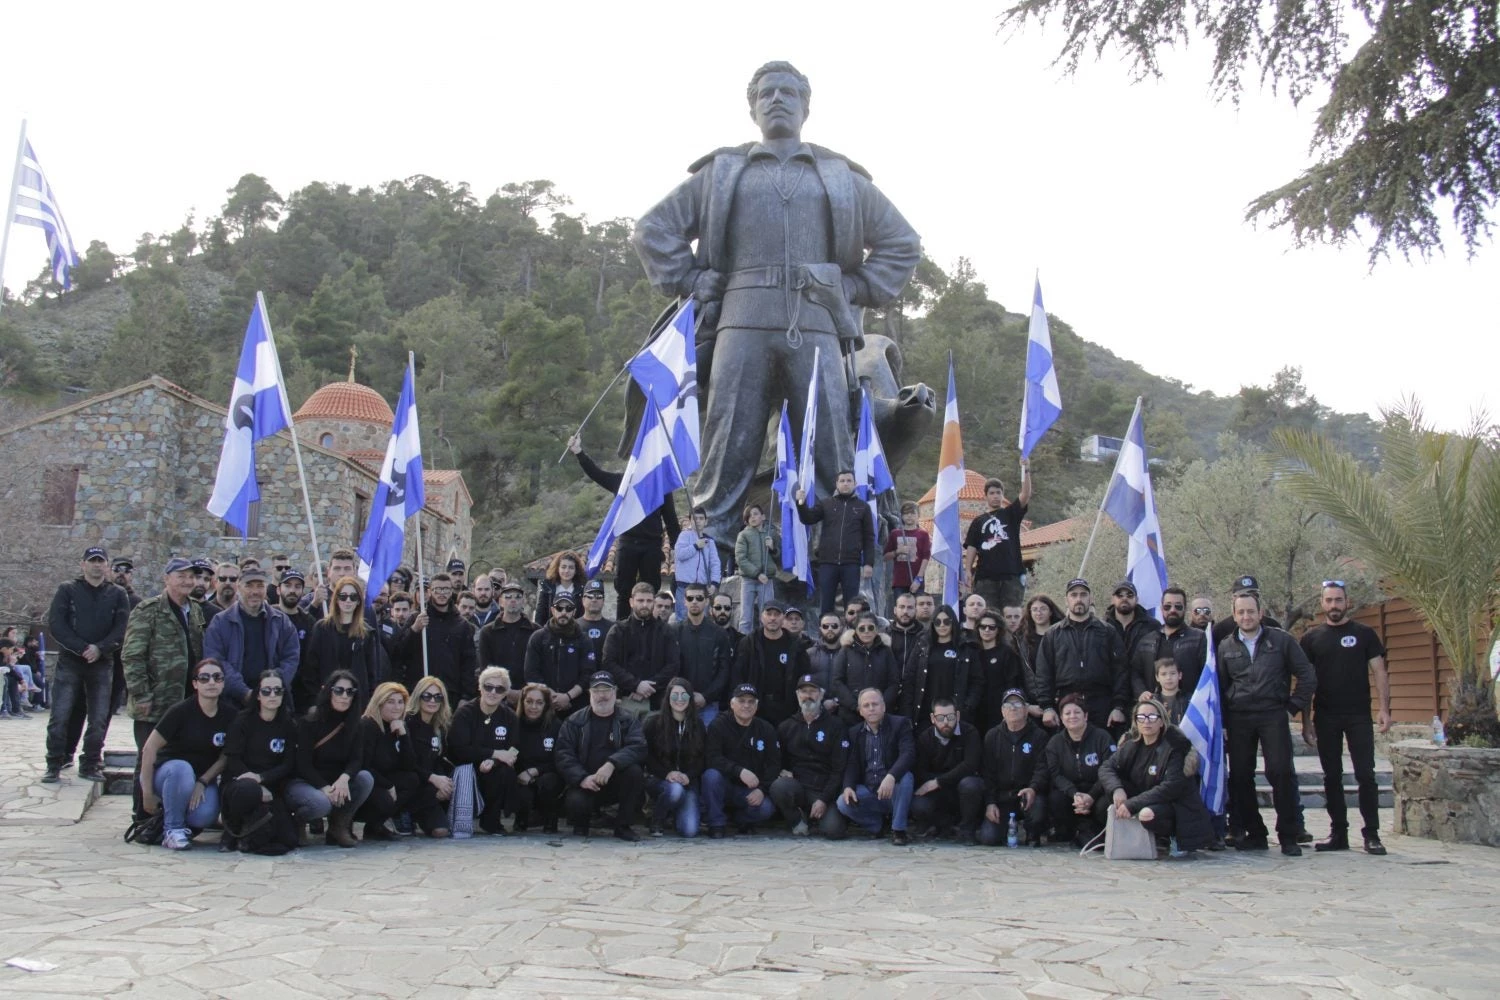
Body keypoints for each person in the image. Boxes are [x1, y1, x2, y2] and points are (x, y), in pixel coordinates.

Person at [633, 60, 921, 548]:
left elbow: (902, 242)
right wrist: (691, 278)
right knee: (729, 443)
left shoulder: (840, 177)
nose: (777, 99)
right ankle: (709, 554)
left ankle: (839, 551)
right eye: (766, 93)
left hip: (817, 321)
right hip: (740, 319)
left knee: (831, 442)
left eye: (789, 92)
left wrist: (853, 288)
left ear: (806, 106)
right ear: (752, 107)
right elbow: (651, 230)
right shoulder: (724, 172)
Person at [1218, 590, 1317, 856]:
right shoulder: (1226, 646)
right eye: (1241, 612)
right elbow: (1221, 687)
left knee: (1280, 773)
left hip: (1273, 714)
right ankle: (1255, 833)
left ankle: (1288, 835)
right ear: (1234, 615)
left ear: (1260, 613)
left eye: (1251, 611)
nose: (1246, 616)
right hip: (1239, 718)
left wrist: (1293, 707)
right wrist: (1224, 723)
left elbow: (1307, 676)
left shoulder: (1282, 641)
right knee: (1240, 777)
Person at [1300, 581, 1390, 855]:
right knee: (1332, 776)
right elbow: (1306, 682)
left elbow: (1379, 671)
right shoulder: (1312, 639)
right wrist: (1305, 722)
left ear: (1347, 602)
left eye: (1338, 600)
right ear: (1322, 604)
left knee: (1366, 775)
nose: (1334, 605)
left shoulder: (1364, 634)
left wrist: (1385, 709)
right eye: (1329, 600)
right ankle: (1338, 833)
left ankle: (1372, 835)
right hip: (1326, 716)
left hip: (1359, 716)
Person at [120, 558, 205, 816]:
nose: (187, 581)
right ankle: (142, 815)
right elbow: (132, 656)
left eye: (191, 576)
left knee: (179, 760)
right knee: (148, 758)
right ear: (166, 578)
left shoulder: (196, 610)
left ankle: (172, 815)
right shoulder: (148, 610)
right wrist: (141, 693)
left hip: (186, 702)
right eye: (180, 576)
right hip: (155, 702)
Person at [569, 434, 680, 620]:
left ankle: (649, 627)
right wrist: (579, 452)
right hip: (628, 542)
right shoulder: (621, 482)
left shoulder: (662, 488)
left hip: (652, 544)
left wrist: (681, 549)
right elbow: (596, 473)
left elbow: (671, 521)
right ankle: (622, 627)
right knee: (623, 590)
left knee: (650, 590)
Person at [43, 546, 130, 783]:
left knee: (99, 716)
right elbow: (57, 624)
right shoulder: (68, 590)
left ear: (106, 565)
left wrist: (100, 648)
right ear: (83, 564)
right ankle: (54, 762)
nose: (96, 565)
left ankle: (90, 763)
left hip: (102, 663)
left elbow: (122, 628)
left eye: (100, 561)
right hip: (70, 660)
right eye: (92, 560)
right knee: (60, 714)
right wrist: (82, 648)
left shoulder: (117, 594)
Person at [1097, 693, 1216, 854]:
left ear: (1161, 721)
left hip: (1173, 804)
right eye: (1141, 717)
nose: (1146, 721)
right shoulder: (1131, 745)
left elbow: (1171, 787)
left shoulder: (1174, 747)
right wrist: (1117, 789)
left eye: (1152, 717)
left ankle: (1168, 838)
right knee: (1106, 801)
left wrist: (1133, 804)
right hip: (1145, 795)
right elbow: (1106, 768)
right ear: (1136, 721)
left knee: (1147, 815)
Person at [137, 658, 230, 850]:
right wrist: (146, 793)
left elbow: (226, 756)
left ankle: (171, 821)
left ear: (223, 682)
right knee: (182, 768)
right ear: (195, 684)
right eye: (204, 678)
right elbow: (149, 748)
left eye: (217, 677)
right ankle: (173, 829)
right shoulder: (180, 711)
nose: (211, 682)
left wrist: (203, 781)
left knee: (204, 815)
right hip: (169, 775)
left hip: (201, 779)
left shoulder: (230, 715)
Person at [554, 672, 648, 841]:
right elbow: (563, 754)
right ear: (590, 693)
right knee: (576, 803)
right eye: (597, 691)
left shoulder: (628, 720)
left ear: (615, 692)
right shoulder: (574, 721)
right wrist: (582, 778)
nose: (602, 696)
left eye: (606, 690)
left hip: (615, 780)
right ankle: (581, 825)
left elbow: (638, 747)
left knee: (634, 773)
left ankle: (623, 826)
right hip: (585, 782)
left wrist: (611, 764)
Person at [286, 669, 374, 848]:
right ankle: (299, 821)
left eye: (350, 692)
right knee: (321, 803)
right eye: (339, 690)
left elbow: (357, 759)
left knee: (365, 778)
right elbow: (302, 763)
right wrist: (324, 787)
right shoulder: (310, 721)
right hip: (305, 781)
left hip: (336, 780)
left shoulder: (356, 724)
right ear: (329, 691)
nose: (344, 696)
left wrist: (345, 777)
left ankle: (338, 826)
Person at [220, 668, 298, 853]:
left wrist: (262, 779)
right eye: (266, 691)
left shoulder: (289, 724)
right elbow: (233, 759)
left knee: (289, 841)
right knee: (248, 790)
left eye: (277, 691)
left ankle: (250, 837)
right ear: (258, 695)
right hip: (239, 784)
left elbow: (288, 764)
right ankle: (232, 831)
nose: (272, 695)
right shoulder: (242, 721)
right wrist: (254, 782)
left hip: (270, 787)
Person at [1034, 579, 1129, 733]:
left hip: (1101, 704)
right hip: (1066, 703)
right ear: (1066, 600)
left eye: (1083, 595)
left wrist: (1119, 706)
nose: (1079, 599)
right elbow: (1043, 674)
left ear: (1090, 599)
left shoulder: (1107, 632)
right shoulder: (1053, 634)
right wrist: (1047, 707)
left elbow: (1121, 671)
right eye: (1074, 595)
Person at [202, 567, 302, 712]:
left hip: (273, 703)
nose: (254, 592)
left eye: (260, 586)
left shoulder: (281, 622)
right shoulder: (220, 622)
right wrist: (244, 693)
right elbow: (216, 661)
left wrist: (270, 689)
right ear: (239, 587)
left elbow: (291, 658)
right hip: (231, 704)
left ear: (266, 589)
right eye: (249, 585)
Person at [772, 674, 850, 838]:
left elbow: (839, 769)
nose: (808, 696)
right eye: (803, 691)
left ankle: (815, 817)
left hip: (825, 789)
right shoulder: (786, 726)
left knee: (834, 831)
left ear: (821, 695)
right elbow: (777, 761)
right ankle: (797, 820)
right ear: (797, 695)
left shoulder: (836, 726)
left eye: (813, 691)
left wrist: (823, 799)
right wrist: (782, 771)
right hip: (799, 787)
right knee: (779, 786)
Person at [447, 666, 520, 836]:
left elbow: (514, 748)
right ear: (480, 687)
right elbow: (459, 749)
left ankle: (492, 821)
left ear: (505, 693)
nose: (493, 692)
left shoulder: (510, 717)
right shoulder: (464, 714)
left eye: (499, 688)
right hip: (465, 768)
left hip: (493, 767)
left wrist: (494, 761)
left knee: (505, 772)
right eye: (488, 686)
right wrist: (494, 753)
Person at [838, 688, 915, 844]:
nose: (871, 708)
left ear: (884, 707)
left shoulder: (900, 724)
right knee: (842, 802)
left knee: (906, 777)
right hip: (869, 789)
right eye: (866, 705)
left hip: (894, 789)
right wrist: (848, 786)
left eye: (875, 704)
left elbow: (908, 754)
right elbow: (852, 764)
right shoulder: (854, 732)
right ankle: (877, 826)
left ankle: (898, 830)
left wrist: (891, 776)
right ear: (860, 711)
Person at [703, 683, 781, 837]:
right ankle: (716, 823)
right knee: (710, 776)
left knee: (766, 808)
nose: (746, 705)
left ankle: (739, 820)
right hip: (724, 785)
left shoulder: (766, 729)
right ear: (732, 704)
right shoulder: (718, 725)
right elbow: (712, 757)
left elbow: (774, 764)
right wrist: (739, 771)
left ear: (757, 705)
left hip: (750, 790)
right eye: (741, 701)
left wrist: (762, 790)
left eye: (751, 702)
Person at [298, 576, 387, 711]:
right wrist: (314, 701)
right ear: (336, 599)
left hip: (356, 703)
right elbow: (311, 670)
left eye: (353, 597)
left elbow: (371, 675)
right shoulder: (322, 629)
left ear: (359, 601)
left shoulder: (367, 633)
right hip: (327, 702)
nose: (348, 601)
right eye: (343, 596)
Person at [795, 471, 876, 615]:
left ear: (855, 484)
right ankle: (825, 633)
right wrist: (800, 504)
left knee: (852, 605)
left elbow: (869, 537)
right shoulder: (826, 503)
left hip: (851, 563)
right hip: (828, 562)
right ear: (837, 484)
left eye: (849, 481)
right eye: (842, 481)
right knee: (826, 603)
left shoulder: (863, 507)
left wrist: (869, 563)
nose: (845, 483)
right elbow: (808, 518)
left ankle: (851, 635)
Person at [1042, 692, 1116, 847]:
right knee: (1055, 799)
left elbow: (1109, 770)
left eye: (1077, 712)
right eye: (1067, 713)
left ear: (1086, 716)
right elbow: (1056, 775)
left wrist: (1091, 796)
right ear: (1061, 718)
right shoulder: (1055, 743)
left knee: (1106, 805)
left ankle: (1097, 831)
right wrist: (1074, 793)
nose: (1072, 716)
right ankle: (1071, 831)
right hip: (1072, 794)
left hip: (1098, 791)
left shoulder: (1102, 737)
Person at [977, 688, 1049, 846]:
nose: (1013, 708)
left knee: (1039, 805)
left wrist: (1033, 788)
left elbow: (1042, 769)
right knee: (988, 838)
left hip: (1027, 795)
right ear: (1002, 711)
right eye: (1008, 705)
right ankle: (1007, 829)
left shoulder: (1039, 736)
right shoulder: (992, 736)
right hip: (1002, 797)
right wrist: (990, 802)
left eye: (1018, 704)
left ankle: (1032, 833)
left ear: (1026, 710)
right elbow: (987, 773)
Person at [602, 582, 681, 718]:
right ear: (631, 602)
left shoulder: (666, 631)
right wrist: (636, 685)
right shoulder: (618, 630)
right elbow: (608, 662)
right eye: (640, 600)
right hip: (626, 700)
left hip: (657, 701)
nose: (645, 605)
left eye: (649, 600)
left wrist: (649, 687)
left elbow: (673, 664)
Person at [911, 698, 984, 841]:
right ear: (933, 718)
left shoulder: (970, 732)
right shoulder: (925, 738)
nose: (945, 722)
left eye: (950, 717)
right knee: (919, 804)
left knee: (971, 785)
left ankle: (967, 829)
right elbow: (920, 771)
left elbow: (970, 765)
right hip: (938, 789)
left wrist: (940, 781)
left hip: (961, 787)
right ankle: (941, 826)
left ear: (957, 716)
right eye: (940, 717)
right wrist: (938, 782)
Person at [643, 677, 708, 837]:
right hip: (660, 779)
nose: (680, 700)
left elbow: (703, 757)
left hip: (688, 782)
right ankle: (657, 819)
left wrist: (688, 775)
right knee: (675, 791)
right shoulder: (653, 723)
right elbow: (646, 756)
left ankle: (673, 814)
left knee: (690, 831)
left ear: (690, 698)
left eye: (684, 695)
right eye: (675, 695)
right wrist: (667, 774)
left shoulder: (697, 724)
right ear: (668, 698)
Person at [403, 573, 479, 707]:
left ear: (451, 592)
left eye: (446, 589)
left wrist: (466, 696)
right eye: (437, 589)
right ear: (430, 591)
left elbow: (468, 663)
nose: (441, 593)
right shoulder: (417, 618)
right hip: (419, 690)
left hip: (450, 694)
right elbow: (400, 651)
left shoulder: (462, 625)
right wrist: (414, 629)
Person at [963, 467, 1032, 612]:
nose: (995, 496)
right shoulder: (978, 521)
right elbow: (972, 547)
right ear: (985, 496)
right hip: (985, 577)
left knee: (1012, 615)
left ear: (1002, 495)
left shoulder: (1010, 514)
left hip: (1011, 575)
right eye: (992, 493)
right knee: (988, 616)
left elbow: (1025, 495)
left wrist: (1026, 470)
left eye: (998, 493)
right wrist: (968, 570)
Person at [731, 599, 808, 725]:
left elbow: (803, 675)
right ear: (762, 617)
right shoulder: (749, 643)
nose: (772, 618)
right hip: (755, 707)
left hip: (787, 709)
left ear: (783, 618)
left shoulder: (795, 644)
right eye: (769, 614)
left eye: (777, 614)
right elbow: (738, 675)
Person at [901, 605, 980, 727]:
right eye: (937, 622)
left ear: (953, 622)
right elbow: (909, 679)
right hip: (925, 712)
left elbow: (977, 681)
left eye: (946, 621)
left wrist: (967, 706)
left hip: (955, 713)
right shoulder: (922, 645)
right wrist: (907, 711)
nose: (942, 625)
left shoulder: (966, 647)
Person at [524, 593, 597, 719]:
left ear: (574, 611)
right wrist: (551, 696)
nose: (564, 612)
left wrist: (567, 697)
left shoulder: (584, 640)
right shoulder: (538, 637)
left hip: (576, 706)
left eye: (568, 608)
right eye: (559, 608)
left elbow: (588, 673)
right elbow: (531, 673)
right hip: (544, 705)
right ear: (552, 610)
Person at [669, 583, 733, 725]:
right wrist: (682, 695)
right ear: (684, 602)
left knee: (708, 745)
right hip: (680, 702)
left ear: (707, 601)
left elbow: (724, 670)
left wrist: (706, 696)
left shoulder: (719, 633)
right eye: (690, 598)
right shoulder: (674, 631)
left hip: (709, 705)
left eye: (699, 598)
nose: (694, 602)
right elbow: (670, 667)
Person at [1131, 586, 1207, 700]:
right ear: (1161, 609)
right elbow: (1134, 672)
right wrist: (1141, 692)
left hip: (1189, 709)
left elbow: (1207, 674)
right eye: (1167, 606)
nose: (1172, 610)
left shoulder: (1199, 638)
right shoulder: (1147, 640)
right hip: (1153, 708)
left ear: (1185, 609)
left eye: (1178, 606)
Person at [831, 611, 901, 727]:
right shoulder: (846, 651)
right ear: (856, 630)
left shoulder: (886, 651)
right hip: (850, 716)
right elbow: (837, 681)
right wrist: (856, 706)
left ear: (877, 629)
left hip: (880, 716)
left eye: (870, 627)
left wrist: (880, 705)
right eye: (862, 628)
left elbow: (894, 682)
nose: (866, 631)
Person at [405, 675, 455, 835]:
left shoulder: (440, 726)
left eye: (437, 696)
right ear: (418, 697)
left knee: (441, 831)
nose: (432, 700)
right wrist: (434, 779)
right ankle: (404, 814)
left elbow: (439, 760)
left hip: (432, 787)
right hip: (413, 784)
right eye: (427, 696)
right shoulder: (408, 723)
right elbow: (408, 763)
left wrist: (444, 784)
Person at [511, 682, 564, 834]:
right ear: (522, 702)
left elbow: (560, 759)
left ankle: (550, 821)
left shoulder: (556, 726)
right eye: (529, 701)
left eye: (539, 703)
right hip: (521, 774)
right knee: (523, 794)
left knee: (549, 783)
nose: (533, 707)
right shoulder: (514, 724)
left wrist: (535, 771)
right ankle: (521, 821)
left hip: (547, 773)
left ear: (546, 705)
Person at [973, 609, 1031, 734]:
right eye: (983, 627)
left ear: (998, 629)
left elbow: (1013, 682)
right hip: (976, 709)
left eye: (991, 627)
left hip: (1000, 709)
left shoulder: (1007, 653)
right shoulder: (972, 652)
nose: (987, 630)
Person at [478, 581, 538, 694]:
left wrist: (524, 692)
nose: (513, 600)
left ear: (523, 601)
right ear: (500, 601)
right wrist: (506, 692)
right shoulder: (487, 632)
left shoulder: (536, 631)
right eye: (508, 597)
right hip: (496, 694)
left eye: (518, 597)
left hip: (529, 697)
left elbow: (539, 668)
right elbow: (485, 669)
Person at [733, 503, 777, 635]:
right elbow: (741, 559)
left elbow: (779, 557)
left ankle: (765, 644)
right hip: (749, 580)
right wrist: (757, 574)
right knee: (746, 617)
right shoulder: (743, 535)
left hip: (766, 580)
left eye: (756, 514)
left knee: (766, 617)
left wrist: (773, 548)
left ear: (763, 516)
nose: (753, 517)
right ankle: (743, 644)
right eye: (749, 515)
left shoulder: (770, 534)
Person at [1105, 581, 1161, 683]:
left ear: (1136, 599)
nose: (1124, 598)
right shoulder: (1102, 626)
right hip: (1111, 687)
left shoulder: (1152, 626)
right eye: (1120, 595)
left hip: (1143, 687)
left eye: (1129, 595)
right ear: (1113, 599)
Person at [672, 508, 722, 619]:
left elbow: (715, 563)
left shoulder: (710, 541)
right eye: (695, 518)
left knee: (701, 620)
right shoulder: (684, 536)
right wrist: (695, 546)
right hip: (684, 586)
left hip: (702, 587)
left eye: (701, 518)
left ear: (706, 521)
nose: (698, 521)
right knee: (682, 619)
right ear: (690, 520)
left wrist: (714, 583)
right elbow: (680, 554)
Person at [884, 501, 931, 608]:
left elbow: (926, 557)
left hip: (916, 581)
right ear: (901, 516)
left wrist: (919, 579)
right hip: (899, 582)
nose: (909, 516)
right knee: (901, 610)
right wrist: (897, 551)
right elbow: (885, 556)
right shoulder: (895, 533)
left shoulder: (923, 534)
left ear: (918, 515)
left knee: (917, 610)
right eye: (906, 513)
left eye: (912, 513)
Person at [535, 551, 586, 626]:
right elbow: (540, 613)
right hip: (550, 631)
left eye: (571, 568)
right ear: (557, 568)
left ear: (576, 570)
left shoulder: (581, 589)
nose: (566, 571)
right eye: (563, 567)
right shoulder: (547, 587)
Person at [807, 612, 845, 696]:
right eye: (825, 626)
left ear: (841, 628)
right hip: (816, 705)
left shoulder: (848, 653)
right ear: (820, 628)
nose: (830, 629)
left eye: (834, 626)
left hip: (844, 705)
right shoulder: (810, 654)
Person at [1021, 594, 1062, 668]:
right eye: (1034, 609)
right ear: (1030, 613)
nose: (1039, 613)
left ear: (1051, 612)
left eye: (1043, 609)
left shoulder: (1062, 635)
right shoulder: (1023, 639)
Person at [579, 580, 611, 646]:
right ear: (583, 600)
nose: (594, 600)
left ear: (603, 601)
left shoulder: (612, 628)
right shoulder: (574, 627)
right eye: (590, 596)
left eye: (598, 597)